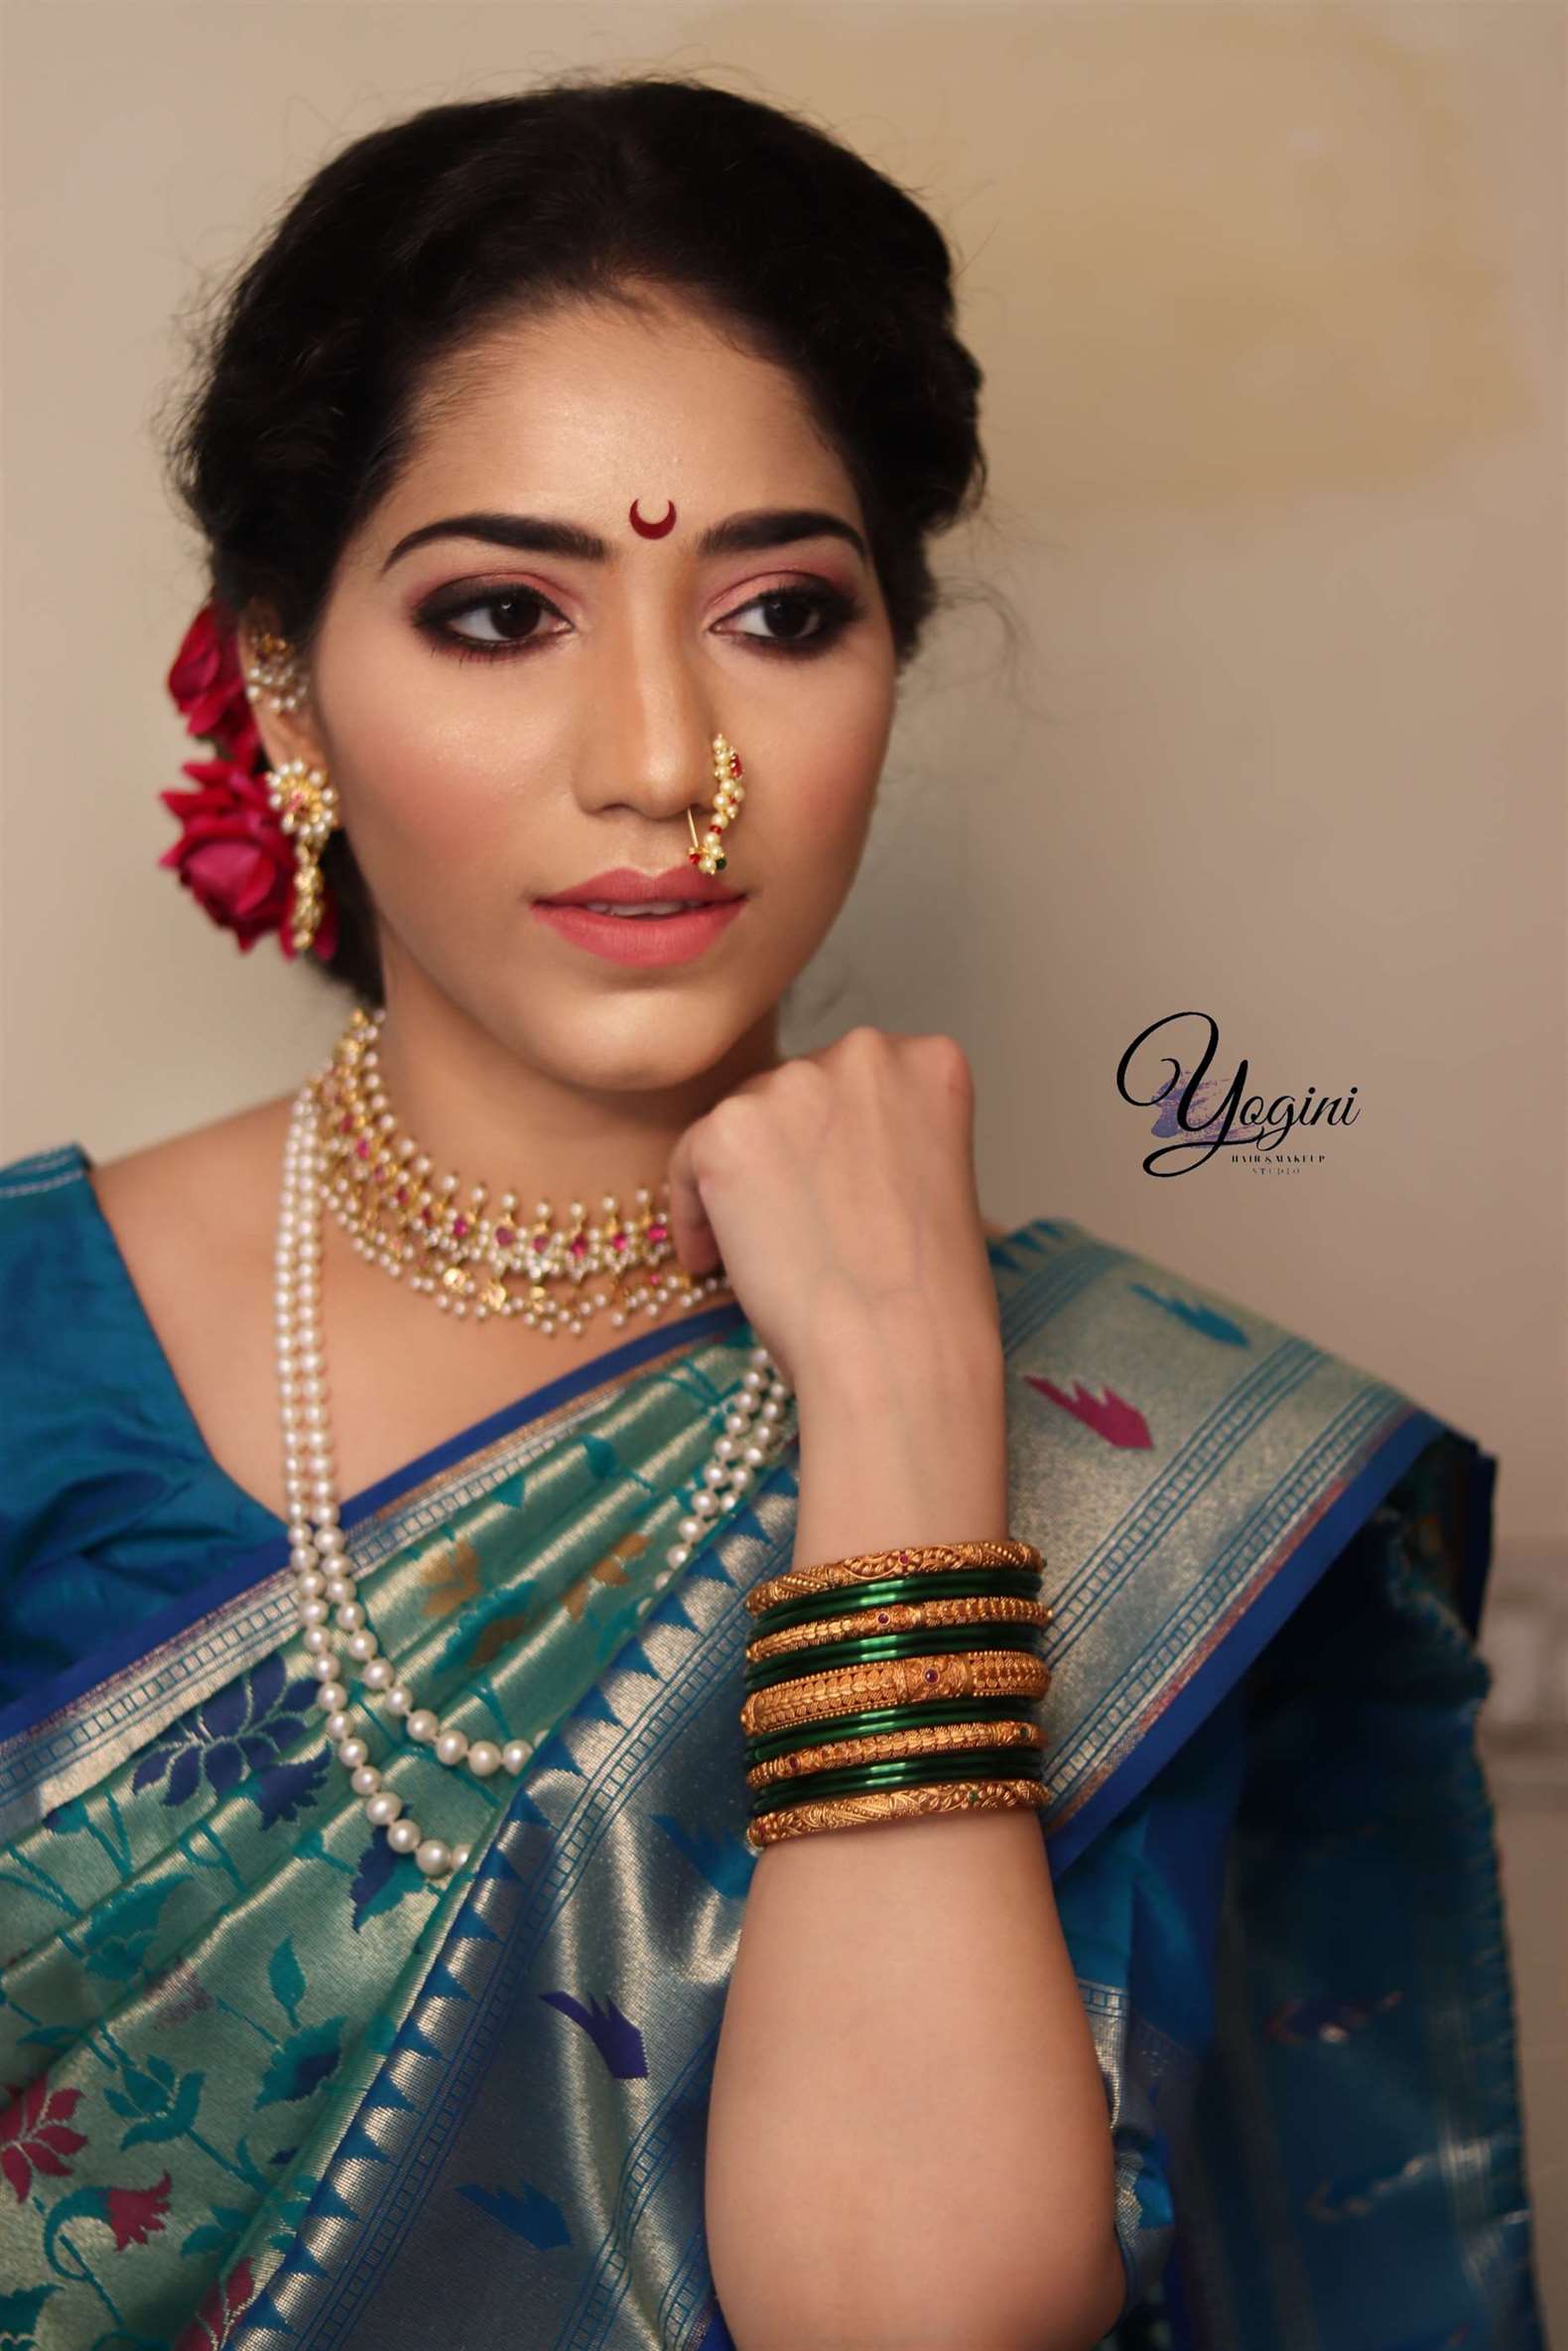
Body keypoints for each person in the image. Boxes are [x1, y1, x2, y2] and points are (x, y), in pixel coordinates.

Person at [0, 72, 1545, 2351]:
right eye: (503, 613)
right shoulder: (27, 1358)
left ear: (890, 663)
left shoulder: (1140, 1453)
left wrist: (906, 1397)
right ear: (279, 686)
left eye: (780, 613)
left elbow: (909, 2317)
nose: (661, 761)